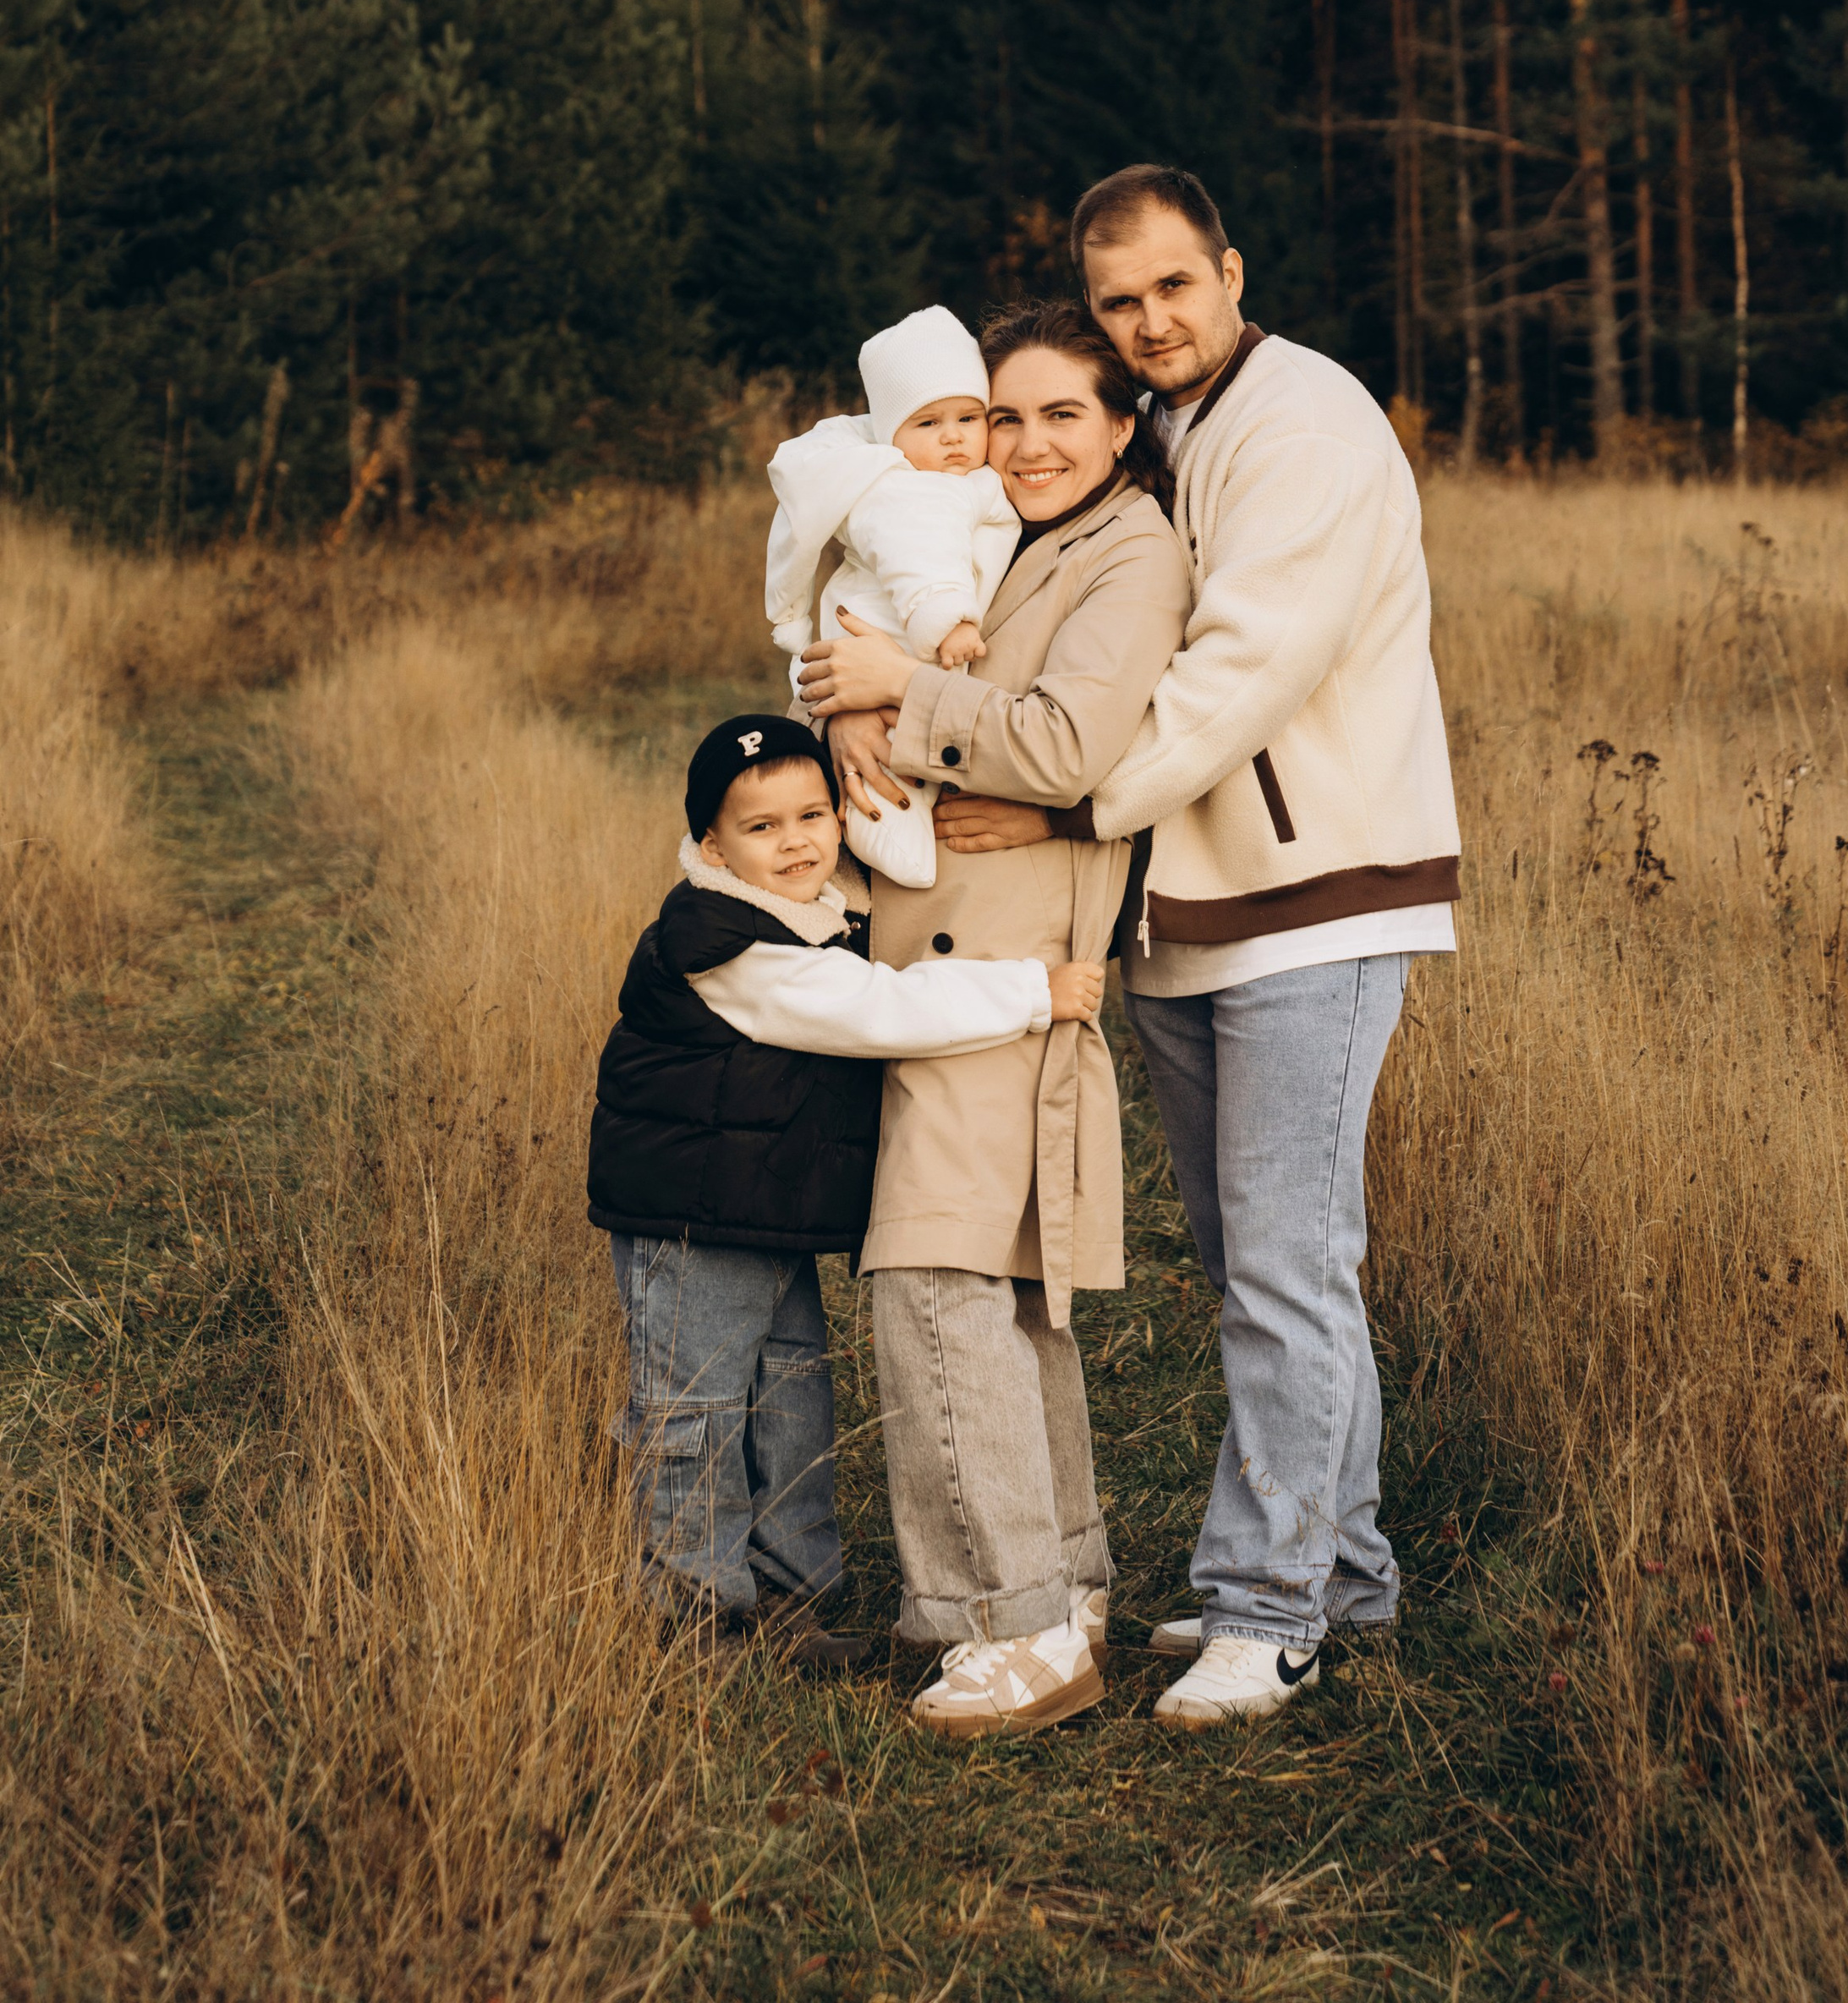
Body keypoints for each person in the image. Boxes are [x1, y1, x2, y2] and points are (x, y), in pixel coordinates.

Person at [935, 167, 1461, 1730]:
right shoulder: (1163, 429)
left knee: (1290, 1267)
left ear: (1231, 268)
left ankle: (1271, 1608)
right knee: (1253, 1266)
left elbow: (1238, 676)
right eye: (1120, 302)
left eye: (1174, 285)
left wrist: (1068, 808)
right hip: (1188, 908)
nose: (1151, 320)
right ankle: (1341, 1568)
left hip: (1317, 896)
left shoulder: (1303, 422)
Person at [799, 307, 1190, 1739]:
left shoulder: (1131, 552)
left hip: (1011, 971)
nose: (1023, 445)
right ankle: (1064, 1591)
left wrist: (902, 695)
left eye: (1059, 418)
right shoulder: (1003, 532)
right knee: (1012, 1301)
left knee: (935, 1288)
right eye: (1002, 416)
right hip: (949, 961)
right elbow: (873, 654)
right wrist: (850, 707)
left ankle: (1007, 1628)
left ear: (1121, 425)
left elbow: (1072, 745)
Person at [584, 711, 1101, 1664]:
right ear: (711, 845)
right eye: (762, 827)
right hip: (688, 1213)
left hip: (765, 1206)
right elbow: (877, 1010)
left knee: (788, 1399)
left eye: (812, 815)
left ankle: (791, 1600)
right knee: (694, 1408)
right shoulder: (723, 941)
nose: (795, 842)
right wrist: (1033, 992)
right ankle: (694, 1613)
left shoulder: (816, 905)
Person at [765, 305, 1018, 889]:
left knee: (894, 734)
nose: (953, 436)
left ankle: (878, 817)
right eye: (928, 424)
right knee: (885, 745)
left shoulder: (953, 482)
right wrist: (947, 619)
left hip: (884, 641)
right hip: (901, 625)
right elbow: (919, 554)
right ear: (892, 436)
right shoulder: (909, 490)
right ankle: (883, 823)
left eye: (968, 417)